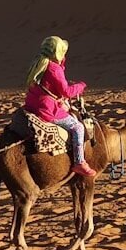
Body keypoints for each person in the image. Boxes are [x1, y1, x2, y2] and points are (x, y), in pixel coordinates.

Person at [24, 36, 96, 177]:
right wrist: (80, 86)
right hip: (47, 109)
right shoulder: (54, 68)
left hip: (32, 104)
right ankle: (79, 162)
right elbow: (67, 92)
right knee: (78, 127)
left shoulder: (39, 62)